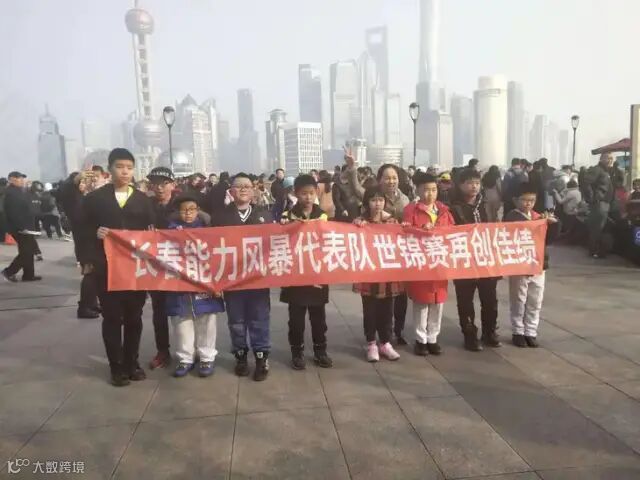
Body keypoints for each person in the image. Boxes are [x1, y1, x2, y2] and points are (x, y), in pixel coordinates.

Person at [78, 148, 155, 387]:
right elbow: (80, 230)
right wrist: (94, 238)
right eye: (120, 167)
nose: (125, 172)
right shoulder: (95, 199)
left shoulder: (143, 200)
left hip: (135, 267)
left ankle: (132, 362)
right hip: (106, 267)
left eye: (129, 168)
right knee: (112, 317)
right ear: (110, 169)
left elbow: (152, 232)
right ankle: (116, 366)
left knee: (134, 317)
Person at [213, 173, 273, 382]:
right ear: (231, 191)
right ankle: (240, 356)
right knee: (236, 321)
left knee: (259, 319)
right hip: (232, 280)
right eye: (239, 186)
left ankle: (261, 357)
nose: (244, 189)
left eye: (247, 186)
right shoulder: (219, 217)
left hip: (258, 279)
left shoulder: (265, 215)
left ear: (254, 190)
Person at [166, 194, 225, 378]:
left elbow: (217, 258)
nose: (188, 213)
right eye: (184, 210)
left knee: (206, 321)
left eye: (192, 209)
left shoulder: (208, 230)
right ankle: (185, 358)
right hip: (179, 285)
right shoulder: (168, 232)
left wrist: (218, 283)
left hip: (205, 284)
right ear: (178, 212)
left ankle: (207, 357)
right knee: (182, 324)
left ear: (198, 210)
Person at [280, 175, 333, 370]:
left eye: (311, 193)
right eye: (304, 193)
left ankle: (320, 351)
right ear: (295, 193)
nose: (308, 197)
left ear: (316, 193)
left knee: (318, 319)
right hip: (295, 276)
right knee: (296, 320)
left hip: (317, 274)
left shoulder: (323, 216)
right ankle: (297, 352)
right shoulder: (287, 216)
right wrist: (283, 227)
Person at [402, 173, 454, 356]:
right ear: (417, 190)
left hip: (439, 262)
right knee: (422, 303)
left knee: (438, 303)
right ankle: (420, 339)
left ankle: (433, 338)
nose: (430, 194)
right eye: (426, 190)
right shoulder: (411, 210)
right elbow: (405, 232)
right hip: (421, 263)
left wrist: (438, 230)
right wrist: (421, 231)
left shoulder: (444, 211)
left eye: (433, 190)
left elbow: (452, 232)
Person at [450, 168, 501, 351]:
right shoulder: (453, 207)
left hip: (486, 259)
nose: (474, 186)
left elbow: (496, 227)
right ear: (460, 185)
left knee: (490, 299)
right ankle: (469, 334)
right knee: (465, 300)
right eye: (470, 183)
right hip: (464, 260)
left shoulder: (487, 204)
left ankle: (489, 332)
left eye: (477, 183)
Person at [353, 186, 403, 362]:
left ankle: (385, 342)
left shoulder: (392, 222)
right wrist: (357, 226)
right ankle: (371, 343)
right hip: (368, 273)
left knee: (387, 310)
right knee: (370, 310)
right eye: (373, 200)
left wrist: (404, 228)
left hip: (387, 273)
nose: (377, 204)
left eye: (380, 200)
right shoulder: (360, 222)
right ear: (367, 203)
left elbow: (400, 239)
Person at [505, 183, 555, 348]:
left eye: (532, 200)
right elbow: (518, 229)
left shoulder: (537, 216)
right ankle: (518, 331)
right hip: (520, 265)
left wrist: (552, 224)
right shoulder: (512, 216)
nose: (528, 204)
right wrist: (539, 222)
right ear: (515, 200)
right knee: (519, 300)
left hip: (538, 264)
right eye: (525, 200)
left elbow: (550, 239)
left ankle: (531, 331)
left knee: (535, 299)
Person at [147, 167, 177, 370]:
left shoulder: (183, 205)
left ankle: (189, 351)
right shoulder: (145, 206)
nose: (160, 187)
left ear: (173, 185)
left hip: (179, 267)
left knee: (184, 311)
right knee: (159, 311)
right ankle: (163, 351)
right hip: (155, 267)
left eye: (164, 183)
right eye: (156, 183)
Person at [377, 164, 410, 345]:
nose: (391, 181)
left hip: (401, 252)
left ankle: (399, 330)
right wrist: (352, 169)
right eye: (387, 177)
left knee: (401, 295)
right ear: (380, 180)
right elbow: (357, 190)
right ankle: (385, 332)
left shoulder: (405, 199)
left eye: (394, 177)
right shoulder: (376, 198)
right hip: (381, 252)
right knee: (385, 296)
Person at [2, 171, 41, 282]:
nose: (22, 180)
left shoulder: (20, 191)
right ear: (12, 179)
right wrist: (21, 227)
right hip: (20, 228)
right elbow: (13, 213)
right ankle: (9, 272)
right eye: (19, 178)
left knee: (28, 250)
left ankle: (28, 275)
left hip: (27, 226)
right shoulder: (11, 193)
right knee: (26, 252)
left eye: (22, 178)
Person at [584, 153, 614, 258]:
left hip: (605, 203)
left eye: (612, 159)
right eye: (608, 158)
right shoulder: (597, 170)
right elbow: (586, 183)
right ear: (601, 159)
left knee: (600, 228)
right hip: (599, 204)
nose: (610, 161)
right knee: (596, 229)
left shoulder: (606, 172)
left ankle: (598, 250)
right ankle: (594, 251)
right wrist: (592, 198)